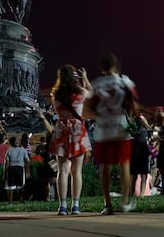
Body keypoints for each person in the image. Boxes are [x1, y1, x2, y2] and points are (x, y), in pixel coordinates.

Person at [90, 52, 137, 214]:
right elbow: (134, 106)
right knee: (124, 165)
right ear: (116, 65)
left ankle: (107, 205)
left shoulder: (96, 84)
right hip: (120, 127)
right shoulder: (124, 81)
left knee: (105, 168)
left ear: (102, 67)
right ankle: (124, 202)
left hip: (103, 130)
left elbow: (90, 108)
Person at [49, 64, 93, 216]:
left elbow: (56, 111)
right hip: (77, 130)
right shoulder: (79, 91)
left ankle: (62, 206)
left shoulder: (55, 94)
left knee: (62, 170)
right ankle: (75, 205)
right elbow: (91, 93)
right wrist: (85, 78)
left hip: (62, 129)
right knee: (77, 171)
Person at [131, 114, 153, 199]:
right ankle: (141, 194)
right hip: (141, 154)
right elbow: (150, 130)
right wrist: (145, 122)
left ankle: (134, 193)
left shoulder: (134, 131)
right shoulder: (143, 130)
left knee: (135, 175)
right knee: (142, 175)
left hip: (138, 154)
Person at [4, 136, 30, 204]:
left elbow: (7, 163)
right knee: (21, 185)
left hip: (11, 168)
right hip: (20, 168)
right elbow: (27, 161)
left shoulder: (9, 150)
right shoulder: (23, 150)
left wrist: (5, 173)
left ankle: (10, 201)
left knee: (11, 186)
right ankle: (21, 200)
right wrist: (27, 171)